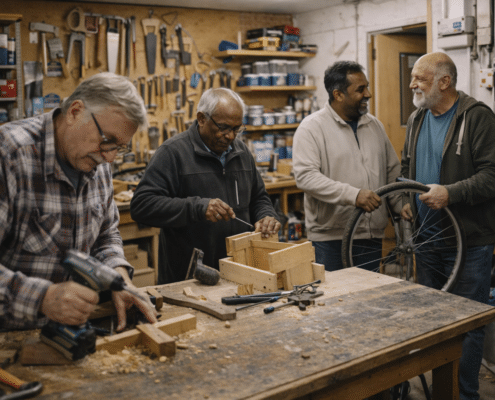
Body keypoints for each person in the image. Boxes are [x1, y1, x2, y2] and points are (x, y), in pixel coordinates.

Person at [0, 72, 157, 332]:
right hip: (10, 339)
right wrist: (42, 298)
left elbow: (106, 235)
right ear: (75, 112)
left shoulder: (98, 159)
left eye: (120, 147)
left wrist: (120, 278)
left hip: (70, 335)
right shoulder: (10, 155)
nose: (110, 158)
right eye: (107, 141)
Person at [401, 52, 495, 400]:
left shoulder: (478, 118)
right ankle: (441, 392)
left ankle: (463, 394)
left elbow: (492, 176)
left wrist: (450, 193)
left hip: (469, 243)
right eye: (413, 77)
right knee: (433, 321)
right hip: (426, 239)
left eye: (420, 79)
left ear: (444, 82)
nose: (412, 84)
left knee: (468, 324)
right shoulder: (416, 118)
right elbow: (407, 163)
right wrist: (403, 200)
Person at [130, 88, 281, 284]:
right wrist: (197, 207)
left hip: (240, 272)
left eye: (237, 129)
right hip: (190, 279)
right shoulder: (172, 153)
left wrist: (266, 215)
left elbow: (259, 197)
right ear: (201, 118)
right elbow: (142, 206)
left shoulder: (242, 152)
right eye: (224, 127)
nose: (230, 137)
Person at [292, 61, 401, 272]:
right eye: (360, 89)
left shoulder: (374, 125)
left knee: (369, 299)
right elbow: (306, 177)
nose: (368, 94)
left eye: (366, 86)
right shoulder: (312, 128)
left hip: (371, 234)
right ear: (338, 94)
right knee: (336, 301)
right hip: (332, 238)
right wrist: (354, 195)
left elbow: (391, 171)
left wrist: (400, 204)